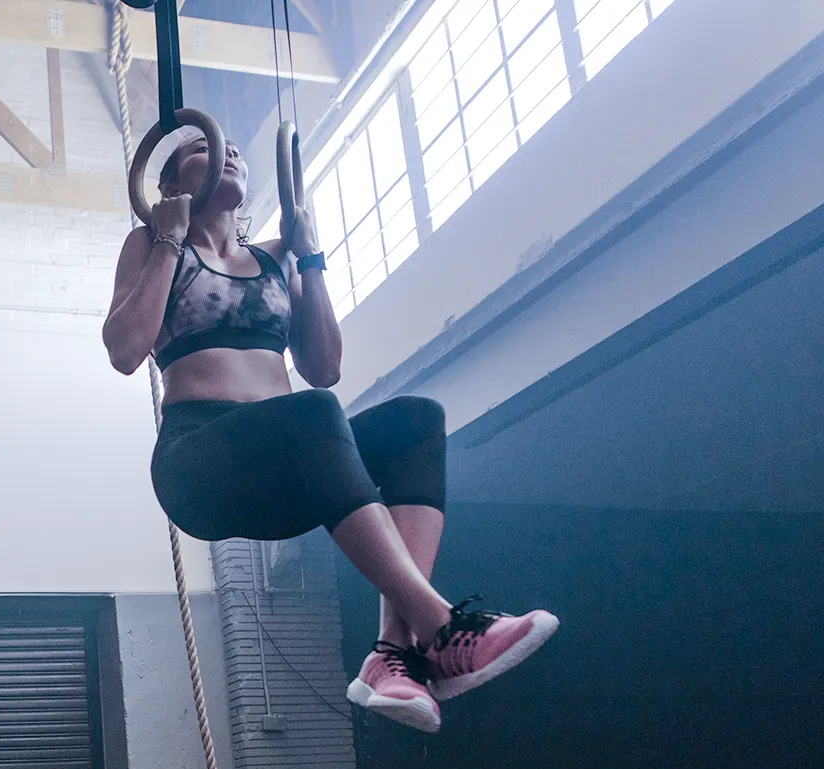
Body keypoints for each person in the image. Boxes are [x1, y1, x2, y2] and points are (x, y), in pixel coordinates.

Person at [102, 132, 557, 733]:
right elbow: (126, 350)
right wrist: (165, 236)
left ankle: (393, 656)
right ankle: (440, 624)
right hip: (200, 463)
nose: (228, 154)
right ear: (169, 187)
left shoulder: (272, 262)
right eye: (205, 150)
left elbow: (323, 367)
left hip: (286, 461)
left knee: (414, 421)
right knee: (318, 411)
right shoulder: (154, 245)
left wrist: (309, 254)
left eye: (234, 149)